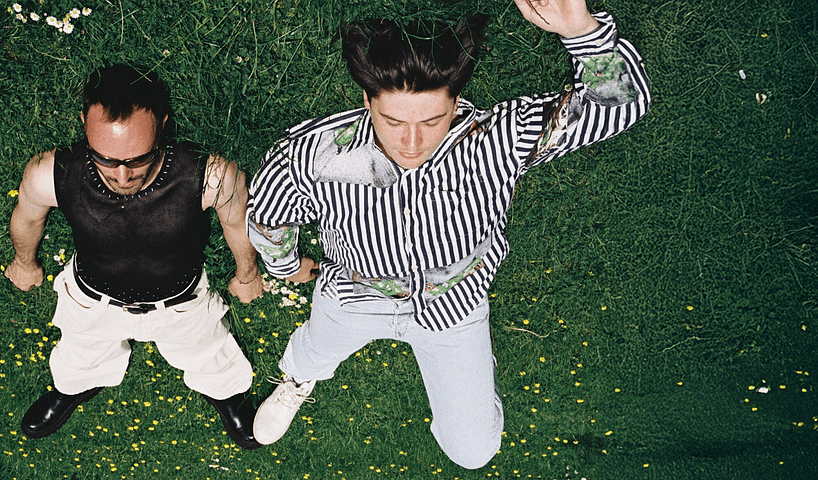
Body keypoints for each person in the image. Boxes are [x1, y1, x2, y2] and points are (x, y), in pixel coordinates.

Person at [246, 0, 650, 469]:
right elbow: (268, 216)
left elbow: (620, 106)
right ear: (367, 101)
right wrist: (286, 266)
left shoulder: (497, 140)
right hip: (353, 297)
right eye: (393, 122)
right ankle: (297, 380)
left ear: (455, 104)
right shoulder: (314, 154)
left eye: (431, 121)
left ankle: (470, 369)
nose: (411, 143)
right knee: (315, 349)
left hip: (454, 309)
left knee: (473, 452)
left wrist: (582, 32)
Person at [5, 63, 265, 450]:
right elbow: (27, 217)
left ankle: (225, 393)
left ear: (162, 125)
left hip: (181, 302)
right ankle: (75, 386)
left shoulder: (211, 175)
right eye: (106, 159)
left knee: (207, 351)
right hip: (90, 298)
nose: (123, 176)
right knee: (80, 352)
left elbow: (236, 224)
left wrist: (247, 274)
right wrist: (24, 262)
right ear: (84, 124)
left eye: (139, 159)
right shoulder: (50, 172)